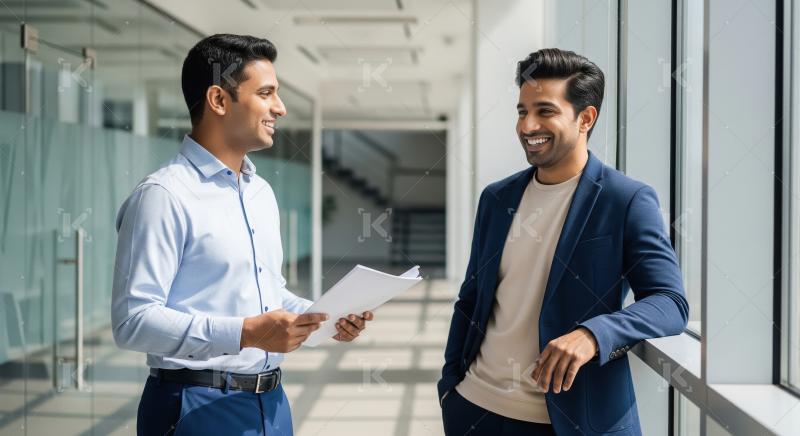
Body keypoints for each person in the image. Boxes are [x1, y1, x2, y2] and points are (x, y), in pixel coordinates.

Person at [111, 34, 373, 435]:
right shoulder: (163, 195)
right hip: (194, 407)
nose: (280, 109)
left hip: (272, 404)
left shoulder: (259, 192)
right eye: (266, 93)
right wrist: (246, 333)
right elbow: (133, 320)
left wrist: (325, 316)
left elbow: (269, 292)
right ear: (218, 100)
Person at [438, 48, 689, 436]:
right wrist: (449, 387)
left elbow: (670, 303)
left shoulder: (625, 200)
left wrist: (594, 334)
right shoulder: (496, 199)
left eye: (545, 111)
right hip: (476, 409)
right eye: (522, 111)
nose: (528, 125)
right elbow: (470, 299)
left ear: (585, 118)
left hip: (570, 422)